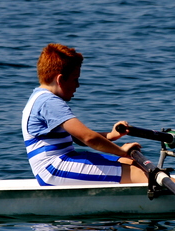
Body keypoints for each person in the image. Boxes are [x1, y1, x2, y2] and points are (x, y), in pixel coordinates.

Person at [22, 43, 151, 185]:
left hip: (60, 163)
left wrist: (111, 135)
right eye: (75, 79)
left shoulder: (40, 98)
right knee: (136, 173)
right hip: (53, 169)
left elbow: (78, 138)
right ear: (59, 80)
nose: (77, 85)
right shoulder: (49, 102)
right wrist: (121, 151)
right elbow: (88, 138)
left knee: (130, 163)